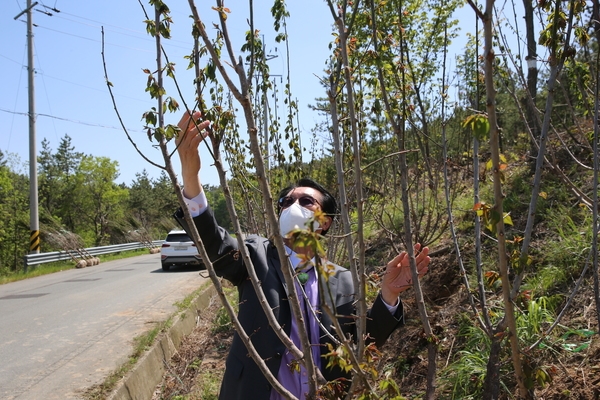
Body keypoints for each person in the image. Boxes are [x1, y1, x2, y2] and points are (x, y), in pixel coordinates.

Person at [173, 111, 431, 400]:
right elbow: (215, 244)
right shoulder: (255, 256)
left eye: (306, 201)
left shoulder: (343, 280)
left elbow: (362, 342)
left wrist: (388, 297)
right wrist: (190, 176)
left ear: (325, 221)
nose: (293, 205)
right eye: (287, 201)